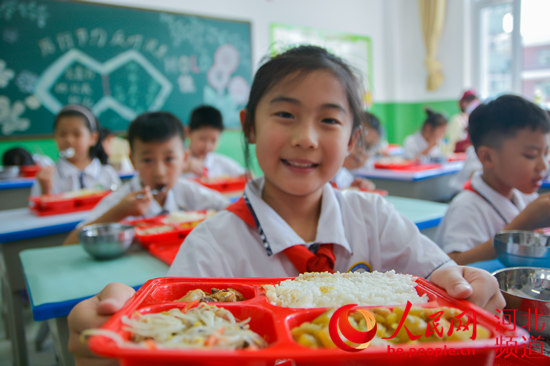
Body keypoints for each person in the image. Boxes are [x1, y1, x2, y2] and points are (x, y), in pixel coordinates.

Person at [68, 46, 504, 364]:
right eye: (285, 115)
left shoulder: (374, 216)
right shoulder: (214, 244)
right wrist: (127, 326)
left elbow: (440, 278)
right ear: (249, 126)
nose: (306, 138)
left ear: (353, 140)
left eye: (329, 120)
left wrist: (466, 283)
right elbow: (177, 332)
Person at [63, 111, 230, 244]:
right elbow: (70, 242)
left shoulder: (188, 191)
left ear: (184, 158)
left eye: (169, 159)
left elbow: (232, 211)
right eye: (147, 160)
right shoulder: (123, 200)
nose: (159, 171)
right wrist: (119, 212)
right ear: (132, 160)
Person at [435, 94, 550, 265]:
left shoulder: (525, 197)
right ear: (487, 157)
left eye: (546, 153)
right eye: (531, 155)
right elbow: (453, 263)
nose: (543, 166)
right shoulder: (467, 207)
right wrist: (523, 224)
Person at [31, 105, 120, 196]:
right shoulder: (46, 177)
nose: (69, 140)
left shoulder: (107, 173)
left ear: (93, 138)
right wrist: (45, 191)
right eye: (62, 134)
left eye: (77, 135)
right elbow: (35, 208)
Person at [182, 105, 245, 178]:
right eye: (202, 139)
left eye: (213, 140)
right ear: (188, 132)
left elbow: (244, 174)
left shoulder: (221, 163)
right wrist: (184, 167)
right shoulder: (178, 161)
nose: (207, 146)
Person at [332, 111, 378, 189]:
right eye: (358, 141)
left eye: (368, 147)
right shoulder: (317, 176)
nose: (361, 150)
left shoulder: (346, 178)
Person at [444, 90, 481, 154]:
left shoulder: (478, 120)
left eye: (473, 101)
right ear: (463, 103)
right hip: (458, 155)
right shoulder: (457, 120)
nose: (472, 104)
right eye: (469, 101)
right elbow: (452, 142)